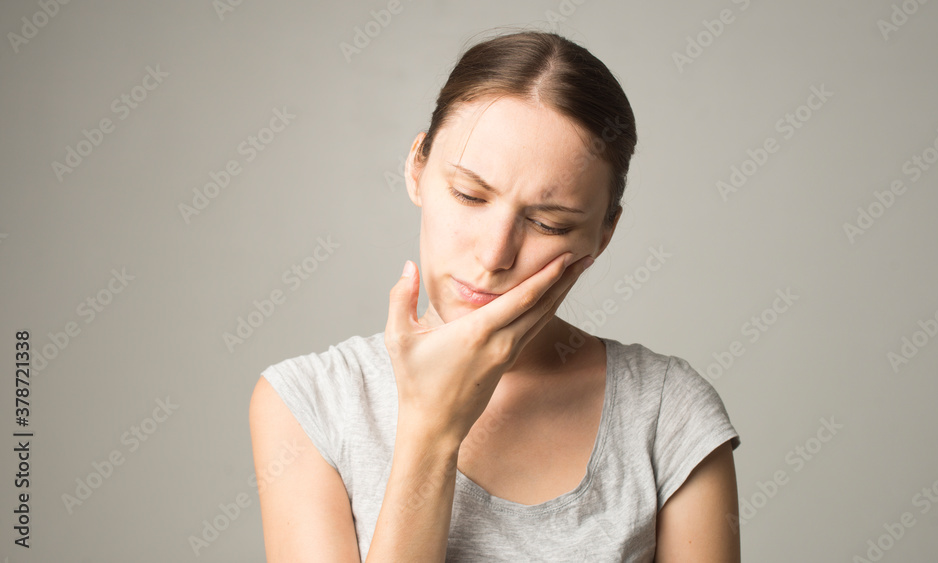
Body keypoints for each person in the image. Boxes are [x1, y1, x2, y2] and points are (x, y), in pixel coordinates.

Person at [249, 28, 741, 562]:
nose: (495, 254)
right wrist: (431, 432)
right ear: (417, 167)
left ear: (604, 234)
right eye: (469, 195)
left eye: (549, 224)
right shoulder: (308, 402)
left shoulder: (668, 414)